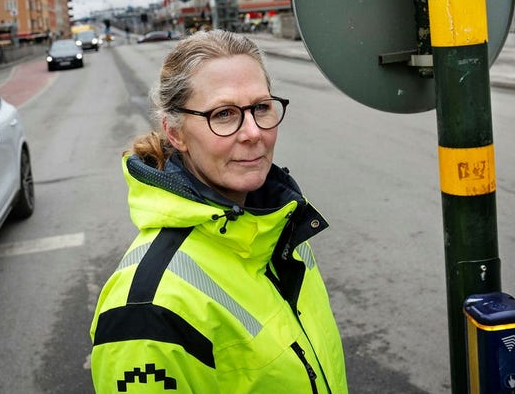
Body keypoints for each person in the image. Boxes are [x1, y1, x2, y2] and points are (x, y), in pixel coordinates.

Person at [89, 30, 347, 392]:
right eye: (224, 114)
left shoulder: (278, 226)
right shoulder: (147, 311)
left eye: (260, 107)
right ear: (174, 133)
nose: (253, 132)